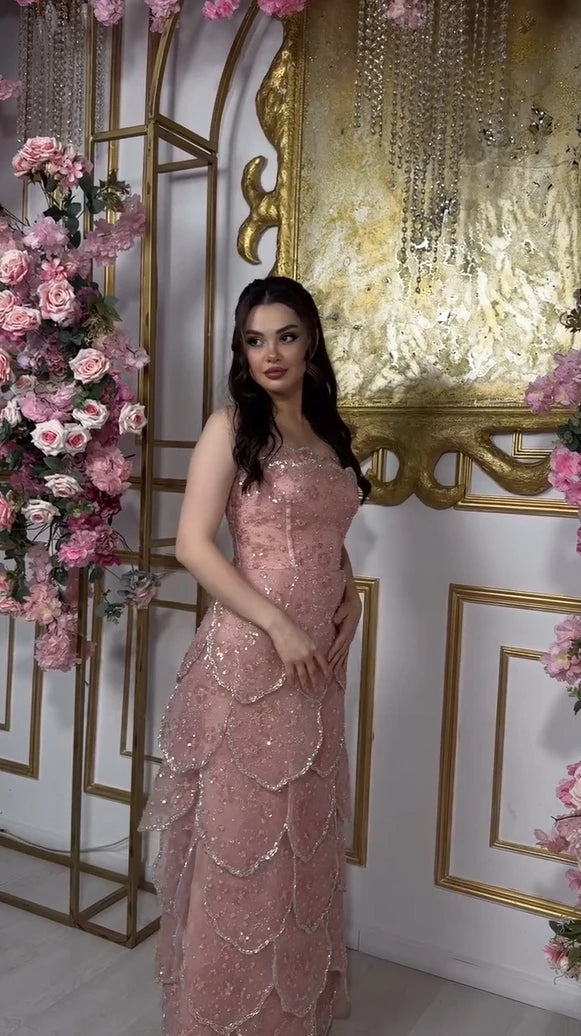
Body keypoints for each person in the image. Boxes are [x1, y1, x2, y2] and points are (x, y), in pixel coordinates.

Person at [140, 276, 371, 1036]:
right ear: (240, 350)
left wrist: (349, 591)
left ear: (310, 342)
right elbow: (192, 546)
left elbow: (324, 541)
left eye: (286, 336)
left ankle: (285, 1011)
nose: (270, 353)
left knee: (299, 833)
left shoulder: (330, 434)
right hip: (249, 655)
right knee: (240, 843)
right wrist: (278, 624)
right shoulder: (230, 427)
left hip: (316, 665)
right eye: (254, 339)